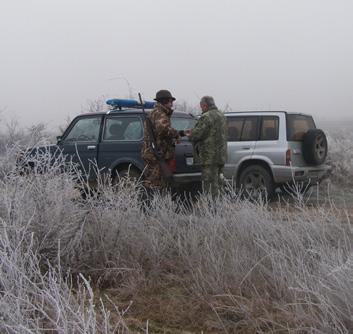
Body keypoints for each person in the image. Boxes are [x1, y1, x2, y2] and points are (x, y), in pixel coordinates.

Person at [141, 89, 184, 192]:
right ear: (165, 101)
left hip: (156, 152)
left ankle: (156, 204)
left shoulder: (157, 112)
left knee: (158, 181)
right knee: (154, 182)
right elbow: (163, 130)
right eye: (170, 101)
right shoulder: (159, 113)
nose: (172, 103)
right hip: (155, 153)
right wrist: (178, 134)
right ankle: (151, 205)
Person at [186, 96, 227, 197]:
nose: (201, 109)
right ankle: (221, 206)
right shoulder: (221, 115)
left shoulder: (206, 117)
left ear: (205, 105)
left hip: (209, 157)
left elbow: (196, 134)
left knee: (209, 186)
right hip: (221, 156)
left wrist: (189, 134)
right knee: (219, 183)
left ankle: (211, 209)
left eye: (201, 107)